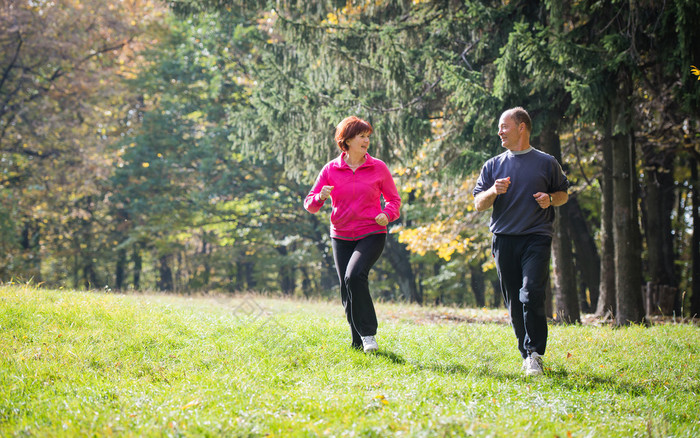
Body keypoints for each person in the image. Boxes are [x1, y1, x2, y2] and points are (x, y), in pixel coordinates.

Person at [472, 107, 569, 376]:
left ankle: (535, 353)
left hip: (537, 237)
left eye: (504, 126)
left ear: (521, 127)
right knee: (515, 301)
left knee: (531, 293)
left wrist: (550, 199)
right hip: (504, 240)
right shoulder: (493, 165)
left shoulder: (546, 162)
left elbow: (563, 193)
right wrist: (494, 190)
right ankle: (525, 354)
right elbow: (479, 203)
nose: (499, 131)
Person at [304, 116, 401, 353]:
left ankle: (368, 334)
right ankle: (357, 342)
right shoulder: (331, 169)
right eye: (361, 136)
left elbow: (394, 200)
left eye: (368, 136)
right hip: (341, 235)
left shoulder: (378, 167)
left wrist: (387, 214)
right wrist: (320, 197)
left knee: (355, 275)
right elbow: (310, 204)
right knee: (346, 286)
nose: (366, 140)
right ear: (346, 140)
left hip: (372, 232)